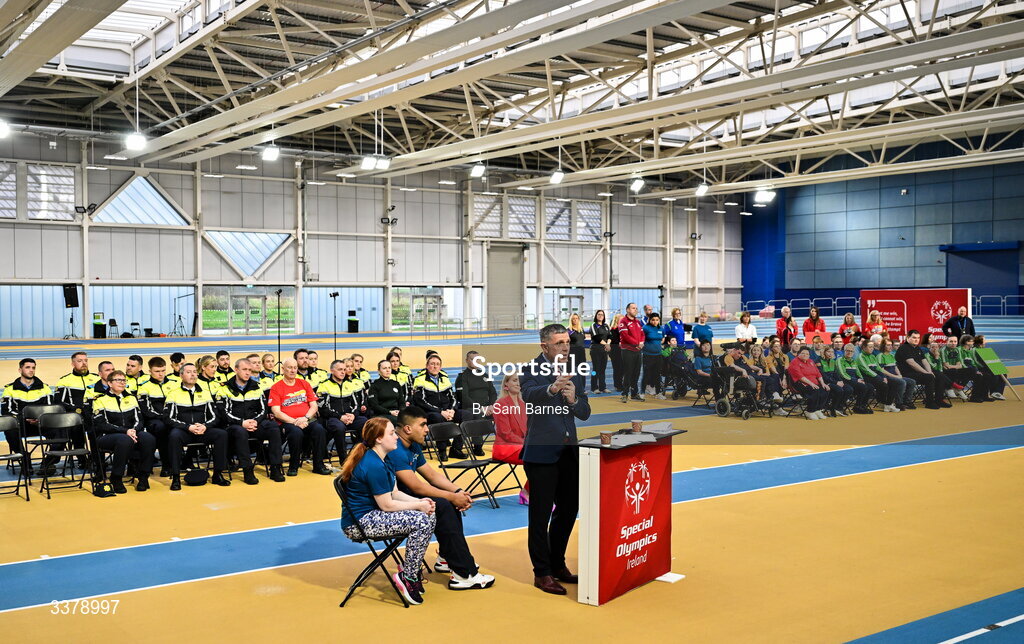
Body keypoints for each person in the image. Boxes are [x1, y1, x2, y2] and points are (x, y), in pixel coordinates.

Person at [388, 407, 496, 590]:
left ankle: (447, 558)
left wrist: (459, 492)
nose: (427, 429)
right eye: (422, 425)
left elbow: (432, 475)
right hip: (391, 500)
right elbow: (416, 486)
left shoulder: (412, 445)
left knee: (449, 504)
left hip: (407, 496)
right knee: (444, 505)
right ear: (407, 429)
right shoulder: (395, 449)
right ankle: (464, 574)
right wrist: (452, 497)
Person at [519, 323, 591, 596]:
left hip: (569, 451)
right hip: (541, 453)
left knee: (569, 508)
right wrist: (552, 388)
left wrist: (574, 400)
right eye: (559, 342)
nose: (565, 347)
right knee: (539, 516)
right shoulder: (530, 369)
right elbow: (528, 396)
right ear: (544, 346)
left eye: (567, 342)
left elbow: (584, 411)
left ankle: (557, 563)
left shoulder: (575, 369)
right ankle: (542, 573)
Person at [339, 417, 436, 606]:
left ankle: (411, 568)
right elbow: (387, 505)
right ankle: (408, 577)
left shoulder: (384, 458)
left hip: (374, 515)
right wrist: (417, 506)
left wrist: (421, 502)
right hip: (359, 523)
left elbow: (395, 492)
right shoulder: (373, 464)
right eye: (391, 433)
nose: (396, 437)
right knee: (421, 521)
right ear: (378, 439)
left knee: (429, 513)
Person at [164, 363, 231, 491]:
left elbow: (215, 416)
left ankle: (218, 474)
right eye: (189, 372)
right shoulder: (173, 394)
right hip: (185, 432)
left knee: (221, 434)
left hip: (202, 431)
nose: (193, 374)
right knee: (174, 436)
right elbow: (168, 418)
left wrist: (205, 426)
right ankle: (176, 477)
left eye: (195, 372)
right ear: (181, 375)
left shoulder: (205, 393)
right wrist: (187, 427)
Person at [92, 370, 157, 493]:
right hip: (107, 436)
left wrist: (133, 431)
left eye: (123, 380)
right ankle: (116, 477)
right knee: (124, 440)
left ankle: (143, 476)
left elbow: (139, 420)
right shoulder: (100, 400)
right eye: (118, 380)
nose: (122, 383)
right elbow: (101, 424)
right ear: (110, 383)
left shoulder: (131, 398)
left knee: (149, 438)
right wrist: (125, 431)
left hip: (130, 433)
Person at [222, 358, 285, 484]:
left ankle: (275, 467)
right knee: (240, 432)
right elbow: (224, 413)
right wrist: (242, 423)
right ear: (236, 370)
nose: (247, 373)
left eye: (249, 370)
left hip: (255, 424)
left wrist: (255, 421)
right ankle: (247, 469)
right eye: (244, 369)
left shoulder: (256, 387)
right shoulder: (225, 388)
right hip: (234, 426)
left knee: (273, 427)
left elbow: (264, 409)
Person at [269, 358, 331, 477]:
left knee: (319, 430)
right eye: (289, 367)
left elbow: (314, 406)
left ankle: (318, 465)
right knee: (296, 433)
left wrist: (305, 418)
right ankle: (294, 465)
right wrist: (295, 421)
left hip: (306, 419)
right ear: (283, 369)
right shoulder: (276, 387)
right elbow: (276, 412)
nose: (293, 370)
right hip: (288, 421)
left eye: (295, 367)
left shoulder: (304, 383)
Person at [411, 353, 464, 460]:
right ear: (427, 366)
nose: (435, 366)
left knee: (466, 415)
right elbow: (421, 401)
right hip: (429, 413)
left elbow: (453, 398)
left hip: (447, 411)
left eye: (437, 364)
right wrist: (440, 411)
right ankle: (442, 450)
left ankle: (456, 449)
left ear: (440, 367)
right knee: (438, 418)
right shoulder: (419, 379)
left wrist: (452, 410)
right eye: (432, 364)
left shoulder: (445, 379)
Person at [318, 359, 369, 463]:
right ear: (332, 370)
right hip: (333, 419)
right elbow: (323, 409)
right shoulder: (324, 385)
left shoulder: (350, 384)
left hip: (349, 418)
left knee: (366, 423)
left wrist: (353, 415)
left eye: (344, 370)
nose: (343, 372)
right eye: (340, 369)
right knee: (339, 427)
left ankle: (359, 454)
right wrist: (340, 417)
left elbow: (356, 404)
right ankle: (344, 459)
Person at [491, 373, 529, 505]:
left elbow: (528, 429)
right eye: (514, 380)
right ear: (506, 385)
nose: (518, 383)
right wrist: (527, 444)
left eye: (520, 381)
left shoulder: (523, 404)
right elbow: (505, 433)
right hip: (504, 447)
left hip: (521, 446)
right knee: (536, 456)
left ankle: (527, 491)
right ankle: (529, 493)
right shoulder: (500, 404)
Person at [1, 358, 52, 456]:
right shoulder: (9, 389)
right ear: (20, 370)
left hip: (41, 424)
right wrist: (25, 418)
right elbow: (7, 412)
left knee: (61, 430)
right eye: (27, 367)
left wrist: (40, 419)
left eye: (33, 367)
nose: (31, 370)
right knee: (9, 430)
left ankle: (48, 463)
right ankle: (24, 459)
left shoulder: (45, 388)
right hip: (22, 425)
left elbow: (50, 408)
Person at [55, 351, 99, 465]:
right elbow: (59, 403)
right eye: (80, 361)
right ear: (73, 364)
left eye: (85, 360)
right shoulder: (64, 381)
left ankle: (98, 458)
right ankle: (82, 459)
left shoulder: (96, 379)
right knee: (77, 425)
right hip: (75, 417)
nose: (84, 363)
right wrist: (77, 410)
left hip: (93, 415)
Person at [137, 357, 175, 476]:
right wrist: (164, 417)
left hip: (171, 419)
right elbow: (146, 410)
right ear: (150, 371)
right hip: (153, 420)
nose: (161, 374)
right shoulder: (144, 387)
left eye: (163, 371)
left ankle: (182, 461)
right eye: (157, 371)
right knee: (162, 428)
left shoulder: (174, 384)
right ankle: (166, 465)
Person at [896, 330, 951, 409]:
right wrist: (926, 373)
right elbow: (912, 363)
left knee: (939, 375)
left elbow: (924, 361)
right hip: (908, 373)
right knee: (929, 377)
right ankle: (929, 403)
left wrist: (929, 371)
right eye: (914, 337)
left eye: (918, 338)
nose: (916, 340)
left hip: (919, 372)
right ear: (908, 338)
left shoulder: (917, 348)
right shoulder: (904, 348)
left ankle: (939, 400)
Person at [454, 351, 494, 457]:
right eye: (472, 359)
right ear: (467, 361)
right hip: (470, 407)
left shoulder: (485, 375)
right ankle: (477, 446)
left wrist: (491, 406)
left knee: (504, 412)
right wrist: (480, 408)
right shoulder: (462, 377)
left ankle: (507, 443)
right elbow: (464, 397)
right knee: (477, 413)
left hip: (487, 407)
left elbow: (493, 393)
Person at [856, 340, 901, 413]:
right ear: (864, 347)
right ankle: (883, 403)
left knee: (895, 383)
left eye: (872, 347)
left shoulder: (873, 356)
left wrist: (884, 377)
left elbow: (878, 368)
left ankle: (888, 405)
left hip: (876, 377)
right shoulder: (860, 357)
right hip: (866, 377)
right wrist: (879, 378)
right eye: (870, 347)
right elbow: (867, 370)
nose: (872, 349)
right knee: (884, 385)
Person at [787, 347, 829, 420]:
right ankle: (810, 411)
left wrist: (823, 383)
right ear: (798, 354)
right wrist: (811, 384)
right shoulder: (794, 362)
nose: (805, 355)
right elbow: (800, 377)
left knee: (825, 390)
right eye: (802, 353)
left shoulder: (811, 361)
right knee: (814, 390)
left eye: (807, 354)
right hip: (800, 384)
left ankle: (818, 409)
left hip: (814, 383)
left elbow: (818, 374)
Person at [618, 303, 645, 403]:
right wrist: (636, 343)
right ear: (627, 310)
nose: (636, 310)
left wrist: (641, 343)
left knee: (636, 373)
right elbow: (625, 336)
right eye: (633, 308)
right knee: (628, 373)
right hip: (628, 350)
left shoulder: (638, 322)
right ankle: (624, 394)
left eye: (636, 308)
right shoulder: (623, 321)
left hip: (638, 351)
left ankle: (634, 394)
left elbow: (642, 334)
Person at [877, 339, 913, 410]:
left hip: (895, 376)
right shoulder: (880, 356)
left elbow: (895, 367)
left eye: (891, 345)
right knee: (901, 382)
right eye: (888, 345)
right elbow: (882, 370)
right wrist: (895, 376)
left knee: (912, 382)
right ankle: (899, 403)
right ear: (883, 346)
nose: (890, 347)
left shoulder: (891, 355)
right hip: (886, 377)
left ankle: (907, 402)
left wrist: (899, 375)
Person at [838, 343, 873, 414]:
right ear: (844, 351)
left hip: (854, 381)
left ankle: (863, 405)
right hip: (845, 381)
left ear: (854, 352)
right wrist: (857, 380)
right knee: (863, 387)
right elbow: (843, 374)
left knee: (870, 387)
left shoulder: (853, 361)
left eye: (851, 351)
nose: (849, 352)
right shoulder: (840, 360)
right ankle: (857, 407)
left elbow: (858, 372)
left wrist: (861, 379)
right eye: (847, 351)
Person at [817, 346, 850, 417]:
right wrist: (836, 383)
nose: (830, 353)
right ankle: (832, 408)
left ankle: (839, 407)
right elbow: (822, 375)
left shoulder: (832, 361)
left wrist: (840, 381)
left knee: (849, 389)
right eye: (828, 351)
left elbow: (836, 373)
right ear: (824, 352)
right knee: (839, 390)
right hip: (823, 382)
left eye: (832, 352)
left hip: (833, 381)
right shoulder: (818, 360)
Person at [970, 335, 1005, 400]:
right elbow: (982, 363)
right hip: (979, 368)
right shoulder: (976, 350)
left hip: (984, 367)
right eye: (984, 340)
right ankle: (992, 392)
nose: (986, 341)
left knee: (1003, 373)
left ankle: (997, 392)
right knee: (993, 374)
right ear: (981, 342)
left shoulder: (982, 349)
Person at [958, 335, 992, 402]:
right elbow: (961, 363)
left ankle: (984, 396)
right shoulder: (959, 350)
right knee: (978, 376)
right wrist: (974, 371)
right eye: (972, 341)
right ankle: (974, 397)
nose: (973, 342)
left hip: (969, 370)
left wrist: (976, 370)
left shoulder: (969, 351)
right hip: (961, 371)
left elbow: (972, 363)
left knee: (987, 375)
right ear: (967, 342)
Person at [641, 312, 665, 399]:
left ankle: (658, 393)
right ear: (649, 320)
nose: (655, 322)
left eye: (657, 320)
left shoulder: (661, 328)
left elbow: (662, 338)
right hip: (648, 355)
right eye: (653, 320)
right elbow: (641, 340)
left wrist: (656, 345)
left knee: (657, 375)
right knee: (646, 374)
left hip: (658, 355)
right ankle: (642, 392)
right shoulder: (645, 328)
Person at [940, 336, 970, 401]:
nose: (953, 343)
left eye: (955, 341)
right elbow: (946, 365)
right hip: (944, 371)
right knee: (953, 370)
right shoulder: (943, 350)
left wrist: (954, 366)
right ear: (946, 342)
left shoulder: (957, 350)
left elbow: (960, 365)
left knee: (969, 370)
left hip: (953, 370)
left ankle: (958, 389)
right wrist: (955, 366)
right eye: (951, 341)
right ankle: (949, 389)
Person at [589, 310, 611, 394]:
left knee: (602, 369)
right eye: (599, 314)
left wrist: (608, 344)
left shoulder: (606, 325)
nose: (600, 316)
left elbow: (609, 335)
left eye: (602, 314)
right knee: (595, 369)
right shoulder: (593, 325)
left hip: (604, 350)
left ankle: (603, 387)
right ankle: (594, 387)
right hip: (595, 350)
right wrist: (606, 345)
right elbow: (596, 337)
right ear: (596, 316)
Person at [609, 313, 624, 392]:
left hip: (623, 351)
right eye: (620, 319)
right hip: (615, 352)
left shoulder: (624, 329)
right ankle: (617, 385)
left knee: (623, 369)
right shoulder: (613, 330)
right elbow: (613, 341)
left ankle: (622, 383)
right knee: (617, 369)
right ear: (616, 320)